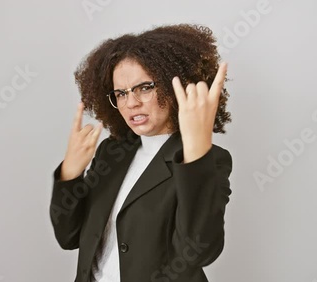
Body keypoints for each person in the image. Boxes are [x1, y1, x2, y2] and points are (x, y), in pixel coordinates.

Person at [49, 24, 233, 282]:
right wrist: (70, 172)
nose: (131, 102)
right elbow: (68, 235)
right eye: (121, 93)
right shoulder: (113, 152)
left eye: (144, 87)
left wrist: (196, 147)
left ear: (173, 85)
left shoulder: (208, 159)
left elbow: (197, 252)